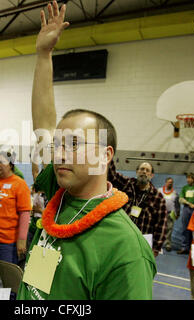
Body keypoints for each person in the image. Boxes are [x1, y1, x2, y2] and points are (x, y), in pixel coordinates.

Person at [17, 1, 156, 300]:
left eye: (75, 144)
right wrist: (43, 54)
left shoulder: (126, 247)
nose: (60, 154)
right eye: (59, 145)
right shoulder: (59, 194)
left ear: (105, 155)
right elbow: (43, 126)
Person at [108, 162, 168, 257]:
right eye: (142, 169)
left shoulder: (158, 198)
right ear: (137, 172)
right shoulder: (127, 184)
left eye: (147, 170)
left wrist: (156, 249)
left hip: (141, 244)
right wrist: (108, 153)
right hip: (119, 239)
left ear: (151, 175)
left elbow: (161, 225)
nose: (144, 172)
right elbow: (112, 176)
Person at [158, 177, 180, 252]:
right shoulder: (159, 190)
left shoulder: (175, 193)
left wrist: (178, 213)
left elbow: (177, 204)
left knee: (169, 229)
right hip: (161, 212)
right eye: (169, 182)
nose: (170, 183)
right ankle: (158, 243)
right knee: (159, 228)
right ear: (166, 182)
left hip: (171, 213)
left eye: (171, 182)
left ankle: (168, 244)